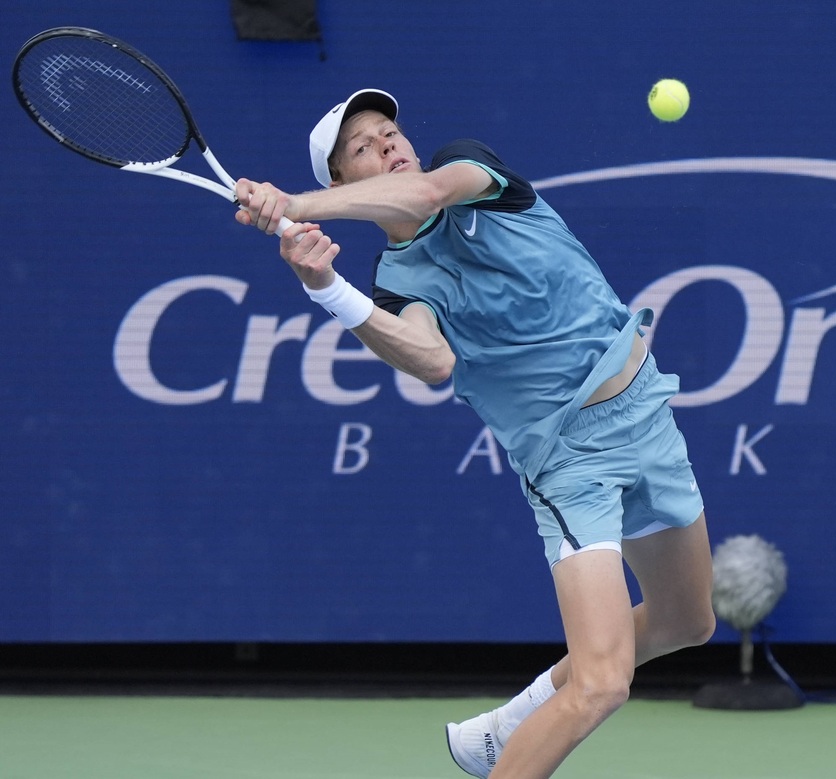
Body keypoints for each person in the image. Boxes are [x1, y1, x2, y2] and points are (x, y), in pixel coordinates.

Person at [235, 88, 716, 779]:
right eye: (363, 146)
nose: (389, 144)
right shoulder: (399, 282)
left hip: (647, 417)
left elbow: (427, 195)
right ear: (342, 182)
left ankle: (511, 720)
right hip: (569, 462)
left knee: (685, 620)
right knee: (603, 682)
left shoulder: (468, 172)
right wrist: (326, 288)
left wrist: (293, 204)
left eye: (389, 130)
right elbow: (432, 360)